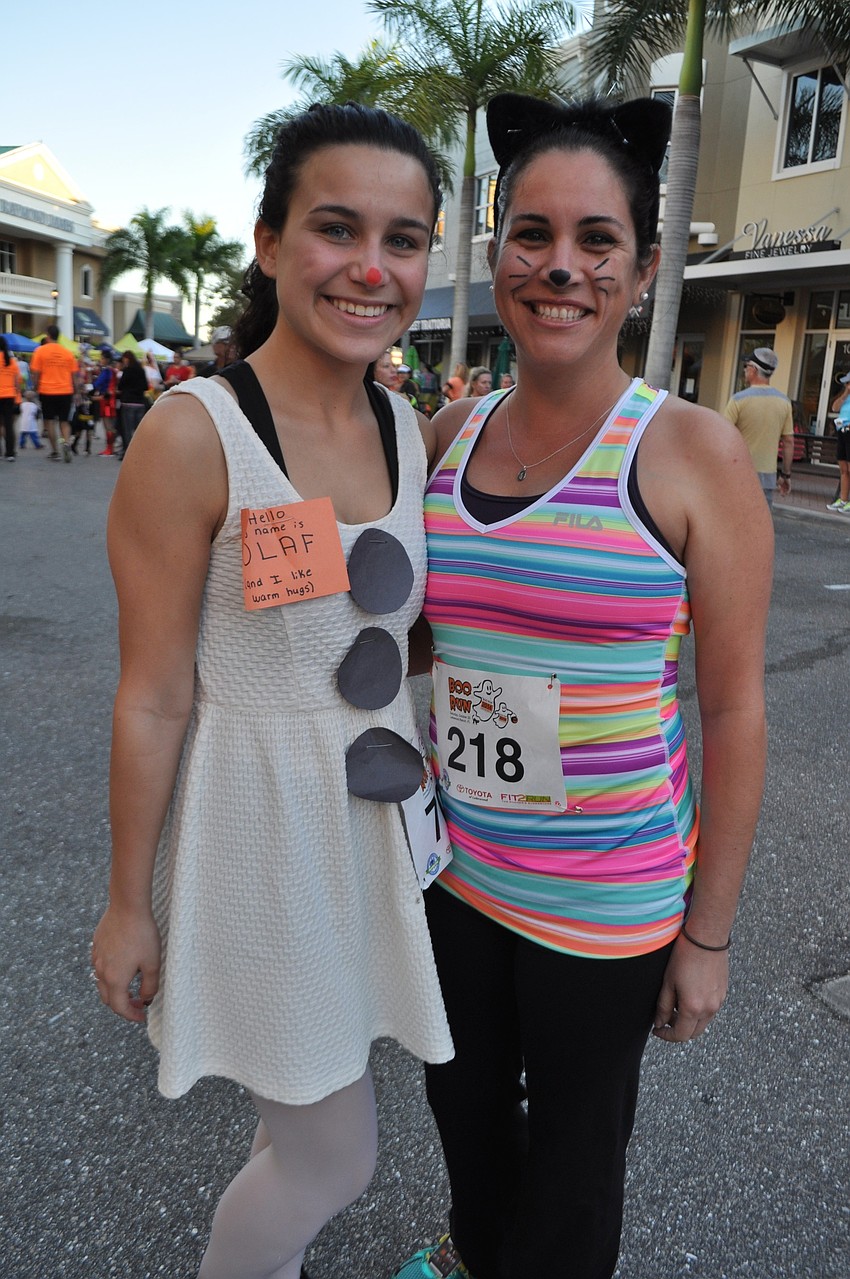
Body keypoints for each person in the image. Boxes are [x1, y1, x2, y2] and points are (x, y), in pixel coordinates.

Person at [394, 92, 773, 1279]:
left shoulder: (687, 453)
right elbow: (416, 646)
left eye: (596, 240)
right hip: (454, 875)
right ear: (497, 251)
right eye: (532, 233)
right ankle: (471, 1252)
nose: (561, 267)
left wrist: (704, 935)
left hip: (606, 911)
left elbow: (733, 709)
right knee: (461, 1119)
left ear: (644, 268)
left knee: (572, 1166)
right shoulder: (449, 431)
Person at [90, 101, 452, 1279]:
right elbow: (152, 696)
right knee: (331, 1160)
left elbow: (395, 635)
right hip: (260, 837)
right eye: (336, 228)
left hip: (370, 832)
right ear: (268, 239)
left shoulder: (405, 422)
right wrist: (127, 900)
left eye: (403, 240)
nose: (371, 266)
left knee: (291, 1115)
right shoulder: (195, 432)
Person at [723, 347, 794, 507]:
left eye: (746, 366)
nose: (745, 370)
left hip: (737, 473)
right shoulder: (784, 402)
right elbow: (788, 442)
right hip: (766, 479)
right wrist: (786, 475)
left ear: (754, 369)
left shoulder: (738, 400)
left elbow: (723, 436)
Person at [29, 323, 79, 461]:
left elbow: (36, 373)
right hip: (65, 390)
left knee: (49, 421)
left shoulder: (40, 351)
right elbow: (74, 376)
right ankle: (67, 443)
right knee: (64, 421)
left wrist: (35, 387)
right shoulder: (68, 353)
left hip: (47, 391)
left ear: (48, 335)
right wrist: (77, 392)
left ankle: (55, 451)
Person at [116, 350, 149, 455]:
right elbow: (145, 386)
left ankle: (128, 452)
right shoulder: (141, 370)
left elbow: (120, 386)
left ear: (126, 359)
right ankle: (141, 451)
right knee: (139, 430)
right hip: (140, 402)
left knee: (127, 429)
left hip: (128, 402)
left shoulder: (127, 370)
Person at [827, 371, 850, 512]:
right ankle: (843, 499)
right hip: (842, 430)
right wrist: (845, 394)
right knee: (843, 468)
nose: (847, 385)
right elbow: (834, 408)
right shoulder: (844, 396)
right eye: (846, 383)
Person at [0, 335, 23, 459]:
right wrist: (18, 396)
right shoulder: (12, 362)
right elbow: (17, 382)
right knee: (9, 425)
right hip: (9, 396)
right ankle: (10, 453)